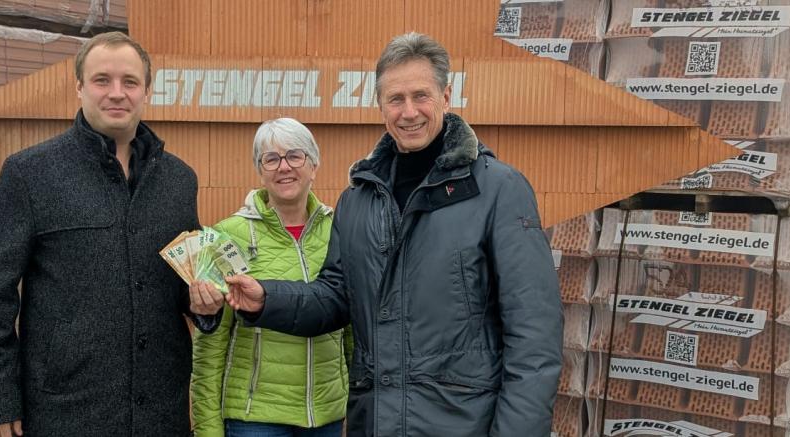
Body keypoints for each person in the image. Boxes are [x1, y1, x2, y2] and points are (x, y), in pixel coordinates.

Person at [223, 32, 563, 437]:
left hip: (464, 424)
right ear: (380, 105)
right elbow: (336, 297)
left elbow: (534, 336)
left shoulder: (498, 190)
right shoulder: (358, 199)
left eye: (421, 96)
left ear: (446, 97)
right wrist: (267, 299)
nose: (409, 112)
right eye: (396, 99)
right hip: (376, 422)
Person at [0, 31, 224, 437]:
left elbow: (184, 284)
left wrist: (205, 306)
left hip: (160, 409)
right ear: (79, 87)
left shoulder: (179, 180)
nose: (117, 93)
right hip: (65, 409)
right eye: (102, 80)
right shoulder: (31, 174)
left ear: (147, 91)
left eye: (130, 82)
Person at [190, 118, 350, 437]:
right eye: (271, 159)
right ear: (260, 170)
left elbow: (353, 328)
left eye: (295, 156)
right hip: (254, 419)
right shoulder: (227, 235)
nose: (283, 167)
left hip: (327, 415)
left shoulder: (341, 229)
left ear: (314, 165)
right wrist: (208, 428)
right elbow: (210, 345)